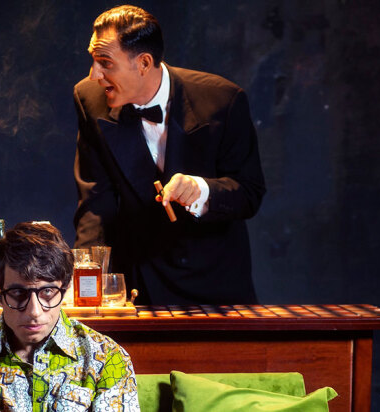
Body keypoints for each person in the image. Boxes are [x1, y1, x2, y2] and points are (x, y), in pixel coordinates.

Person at [74, 5, 266, 305]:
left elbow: (250, 192)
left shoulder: (223, 100)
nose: (94, 74)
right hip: (138, 285)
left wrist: (201, 190)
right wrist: (85, 283)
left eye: (105, 63)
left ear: (144, 62)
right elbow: (95, 204)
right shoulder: (89, 98)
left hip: (216, 286)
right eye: (93, 60)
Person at [0, 222, 140, 411]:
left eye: (47, 292)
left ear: (65, 289)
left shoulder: (106, 357)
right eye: (18, 293)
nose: (34, 311)